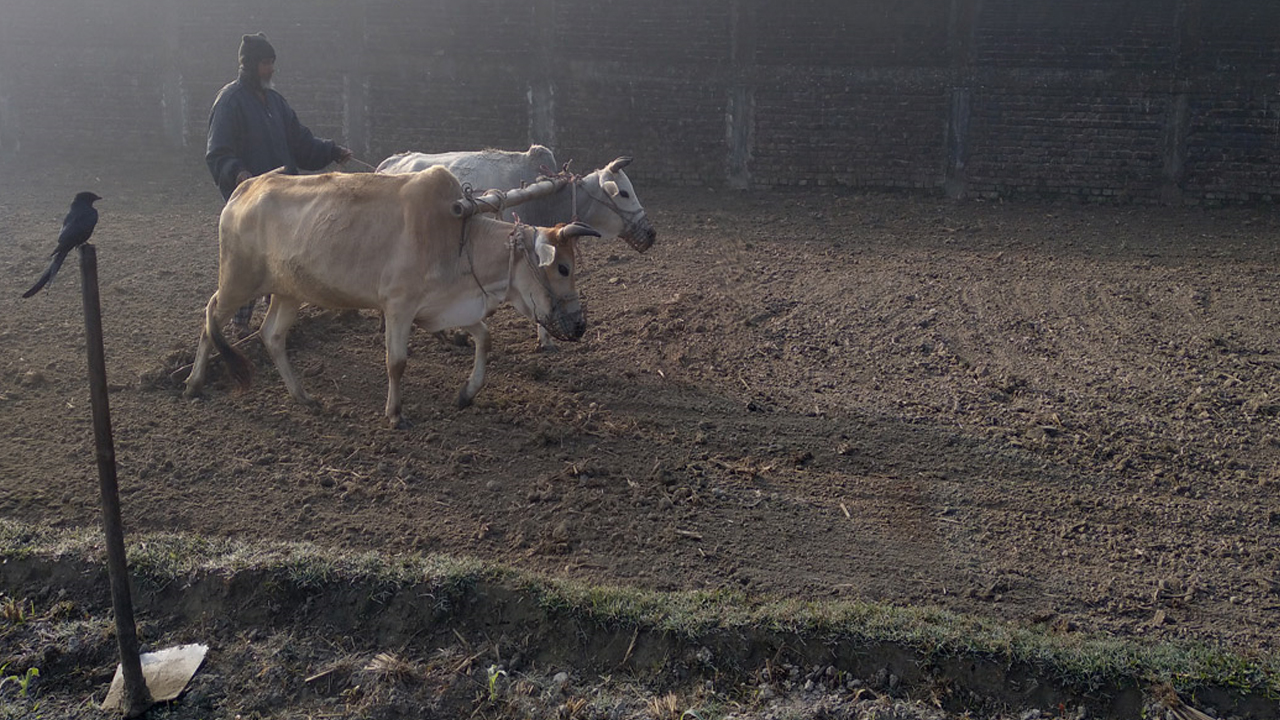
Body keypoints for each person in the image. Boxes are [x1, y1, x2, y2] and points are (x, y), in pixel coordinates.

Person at [205, 32, 352, 335]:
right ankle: (240, 326)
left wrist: (331, 150)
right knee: (249, 265)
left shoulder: (275, 102)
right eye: (264, 63)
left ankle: (277, 323)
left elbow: (300, 141)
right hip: (253, 204)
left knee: (282, 263)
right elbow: (218, 152)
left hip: (284, 201)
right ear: (247, 66)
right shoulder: (230, 102)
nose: (270, 69)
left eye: (272, 62)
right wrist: (239, 175)